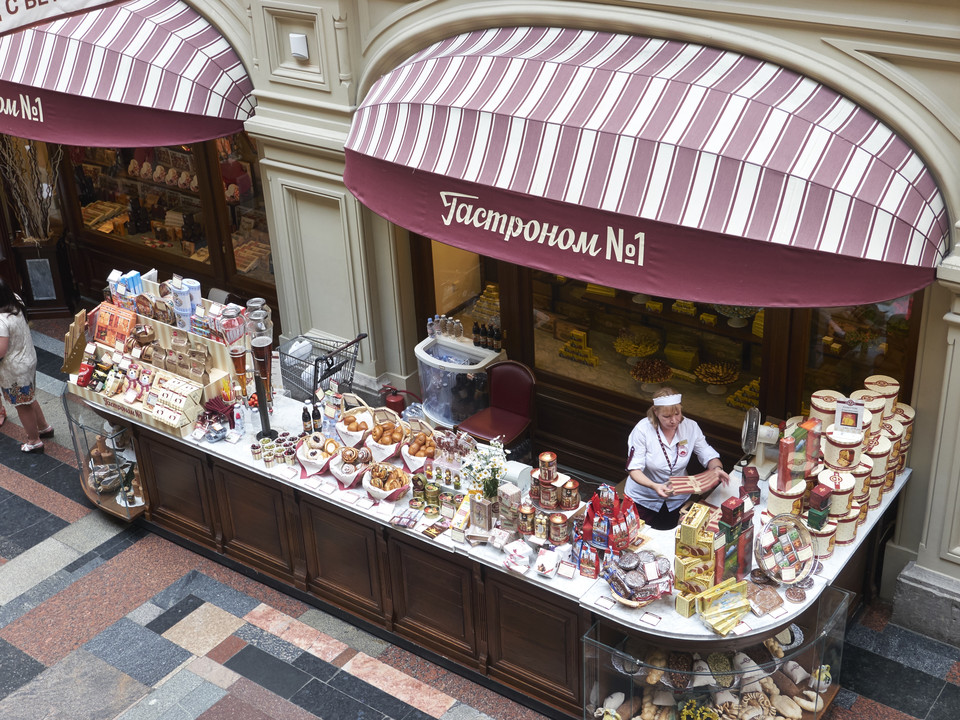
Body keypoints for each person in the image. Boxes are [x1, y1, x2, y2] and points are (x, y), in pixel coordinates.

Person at [625, 387, 729, 530]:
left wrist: (717, 469)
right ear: (656, 413)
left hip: (677, 499)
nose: (673, 421)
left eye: (677, 414)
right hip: (643, 499)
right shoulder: (643, 430)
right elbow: (634, 469)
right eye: (666, 417)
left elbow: (707, 453)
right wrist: (654, 486)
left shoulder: (690, 427)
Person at [0, 278, 52, 453]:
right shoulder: (15, 300)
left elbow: (1, 351)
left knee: (22, 405)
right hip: (28, 359)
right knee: (28, 397)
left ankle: (34, 440)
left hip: (14, 369)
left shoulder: (1, 320)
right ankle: (44, 427)